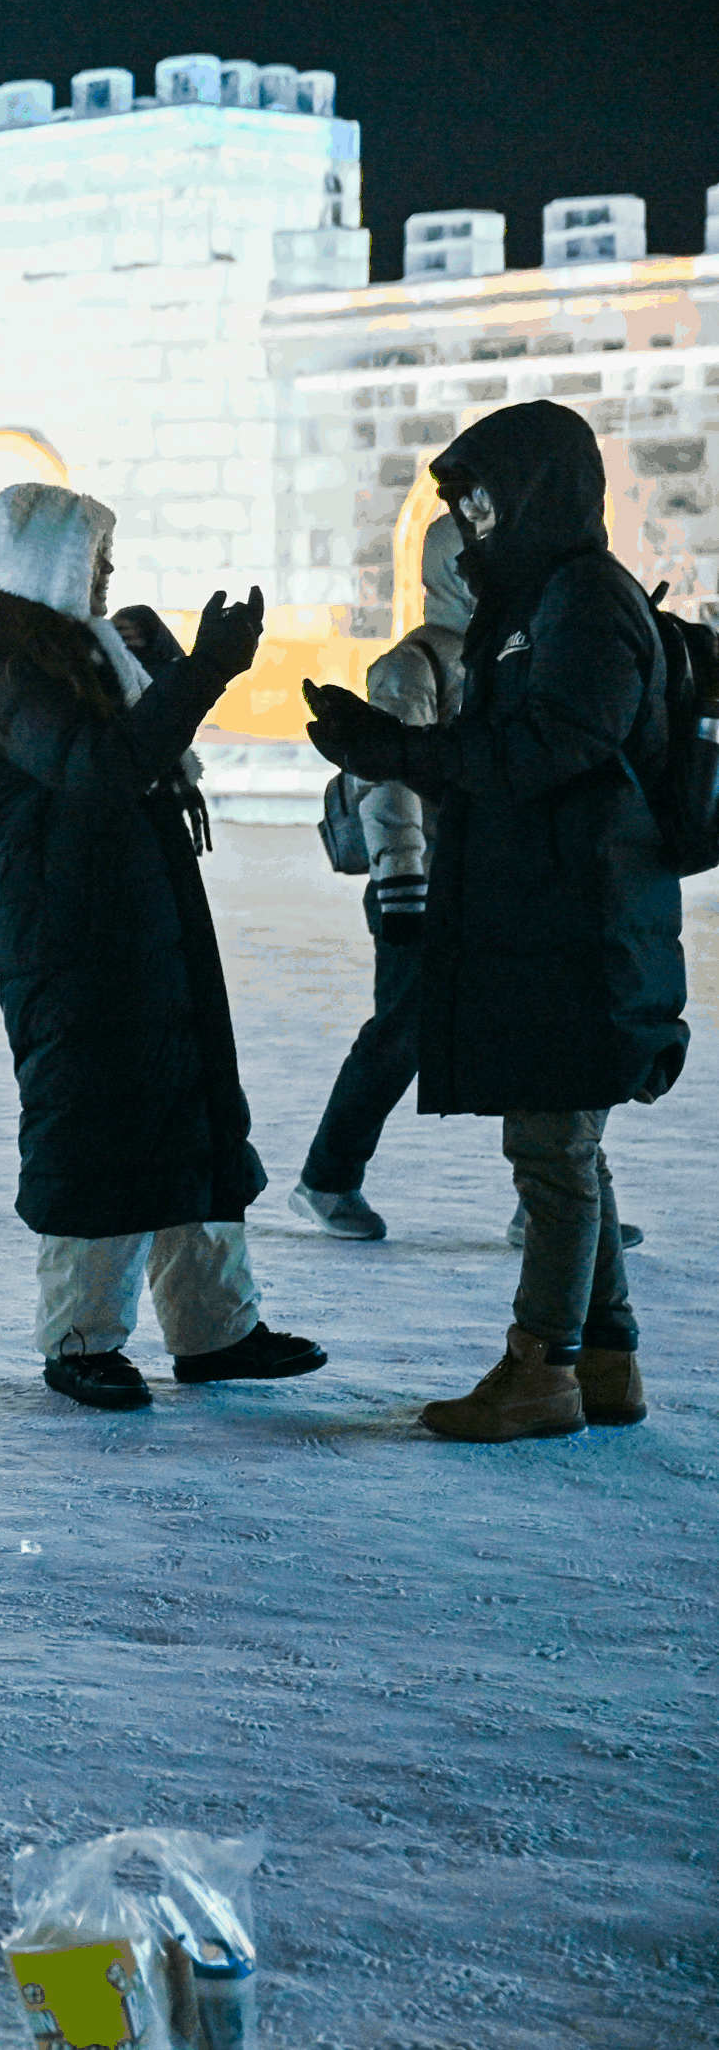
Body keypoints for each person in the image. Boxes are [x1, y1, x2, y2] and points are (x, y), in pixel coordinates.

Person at [304, 399, 686, 1440]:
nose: (471, 517)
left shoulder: (585, 601)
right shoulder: (534, 603)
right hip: (551, 913)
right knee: (570, 1148)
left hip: (584, 920)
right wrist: (391, 740)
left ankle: (540, 1370)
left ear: (536, 490)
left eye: (483, 494)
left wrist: (402, 753)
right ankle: (606, 1359)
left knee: (553, 1154)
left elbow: (548, 751)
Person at [0, 484, 325, 1412]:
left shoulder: (74, 648)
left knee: (187, 1107)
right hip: (70, 937)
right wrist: (204, 675)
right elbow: (101, 767)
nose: (109, 575)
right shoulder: (3, 659)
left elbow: (120, 750)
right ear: (48, 563)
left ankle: (216, 1329)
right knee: (96, 1119)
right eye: (95, 559)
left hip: (140, 916)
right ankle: (82, 1339)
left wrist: (153, 659)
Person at [289, 515, 471, 1240]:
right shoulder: (411, 666)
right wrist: (402, 880)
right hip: (421, 882)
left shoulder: (503, 652)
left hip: (483, 873)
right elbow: (384, 779)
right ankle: (327, 1178)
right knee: (403, 1032)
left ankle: (553, 1199)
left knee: (526, 1023)